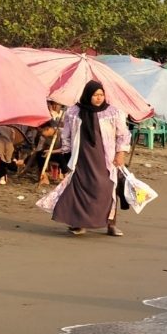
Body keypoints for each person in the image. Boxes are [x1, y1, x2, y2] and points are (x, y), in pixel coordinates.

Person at [48, 80, 130, 237]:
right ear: (88, 95)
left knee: (107, 189)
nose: (99, 98)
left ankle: (110, 224)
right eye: (95, 95)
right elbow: (66, 135)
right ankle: (78, 224)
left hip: (105, 158)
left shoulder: (112, 112)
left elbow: (123, 134)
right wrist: (66, 153)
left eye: (101, 94)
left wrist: (121, 153)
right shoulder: (73, 112)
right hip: (81, 158)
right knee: (80, 190)